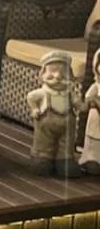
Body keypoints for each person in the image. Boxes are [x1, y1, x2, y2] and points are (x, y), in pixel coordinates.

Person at [26, 50, 86, 178]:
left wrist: (83, 105)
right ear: (43, 73)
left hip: (67, 127)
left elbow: (79, 104)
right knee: (43, 143)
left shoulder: (70, 94)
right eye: (52, 71)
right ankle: (42, 158)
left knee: (67, 144)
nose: (58, 76)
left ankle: (64, 160)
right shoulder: (42, 93)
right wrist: (34, 109)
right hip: (45, 127)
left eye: (63, 72)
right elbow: (30, 97)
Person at [79, 49, 100, 175]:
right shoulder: (96, 86)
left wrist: (96, 101)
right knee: (92, 139)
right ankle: (90, 158)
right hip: (94, 118)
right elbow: (87, 99)